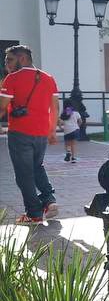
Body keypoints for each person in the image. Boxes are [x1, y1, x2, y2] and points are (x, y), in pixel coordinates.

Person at [0, 45, 60, 225]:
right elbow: (55, 107)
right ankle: (49, 201)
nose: (6, 64)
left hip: (20, 133)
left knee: (23, 175)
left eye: (10, 60)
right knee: (37, 167)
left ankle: (33, 213)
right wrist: (52, 130)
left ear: (23, 58)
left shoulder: (11, 79)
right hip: (41, 133)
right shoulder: (48, 78)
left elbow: (2, 107)